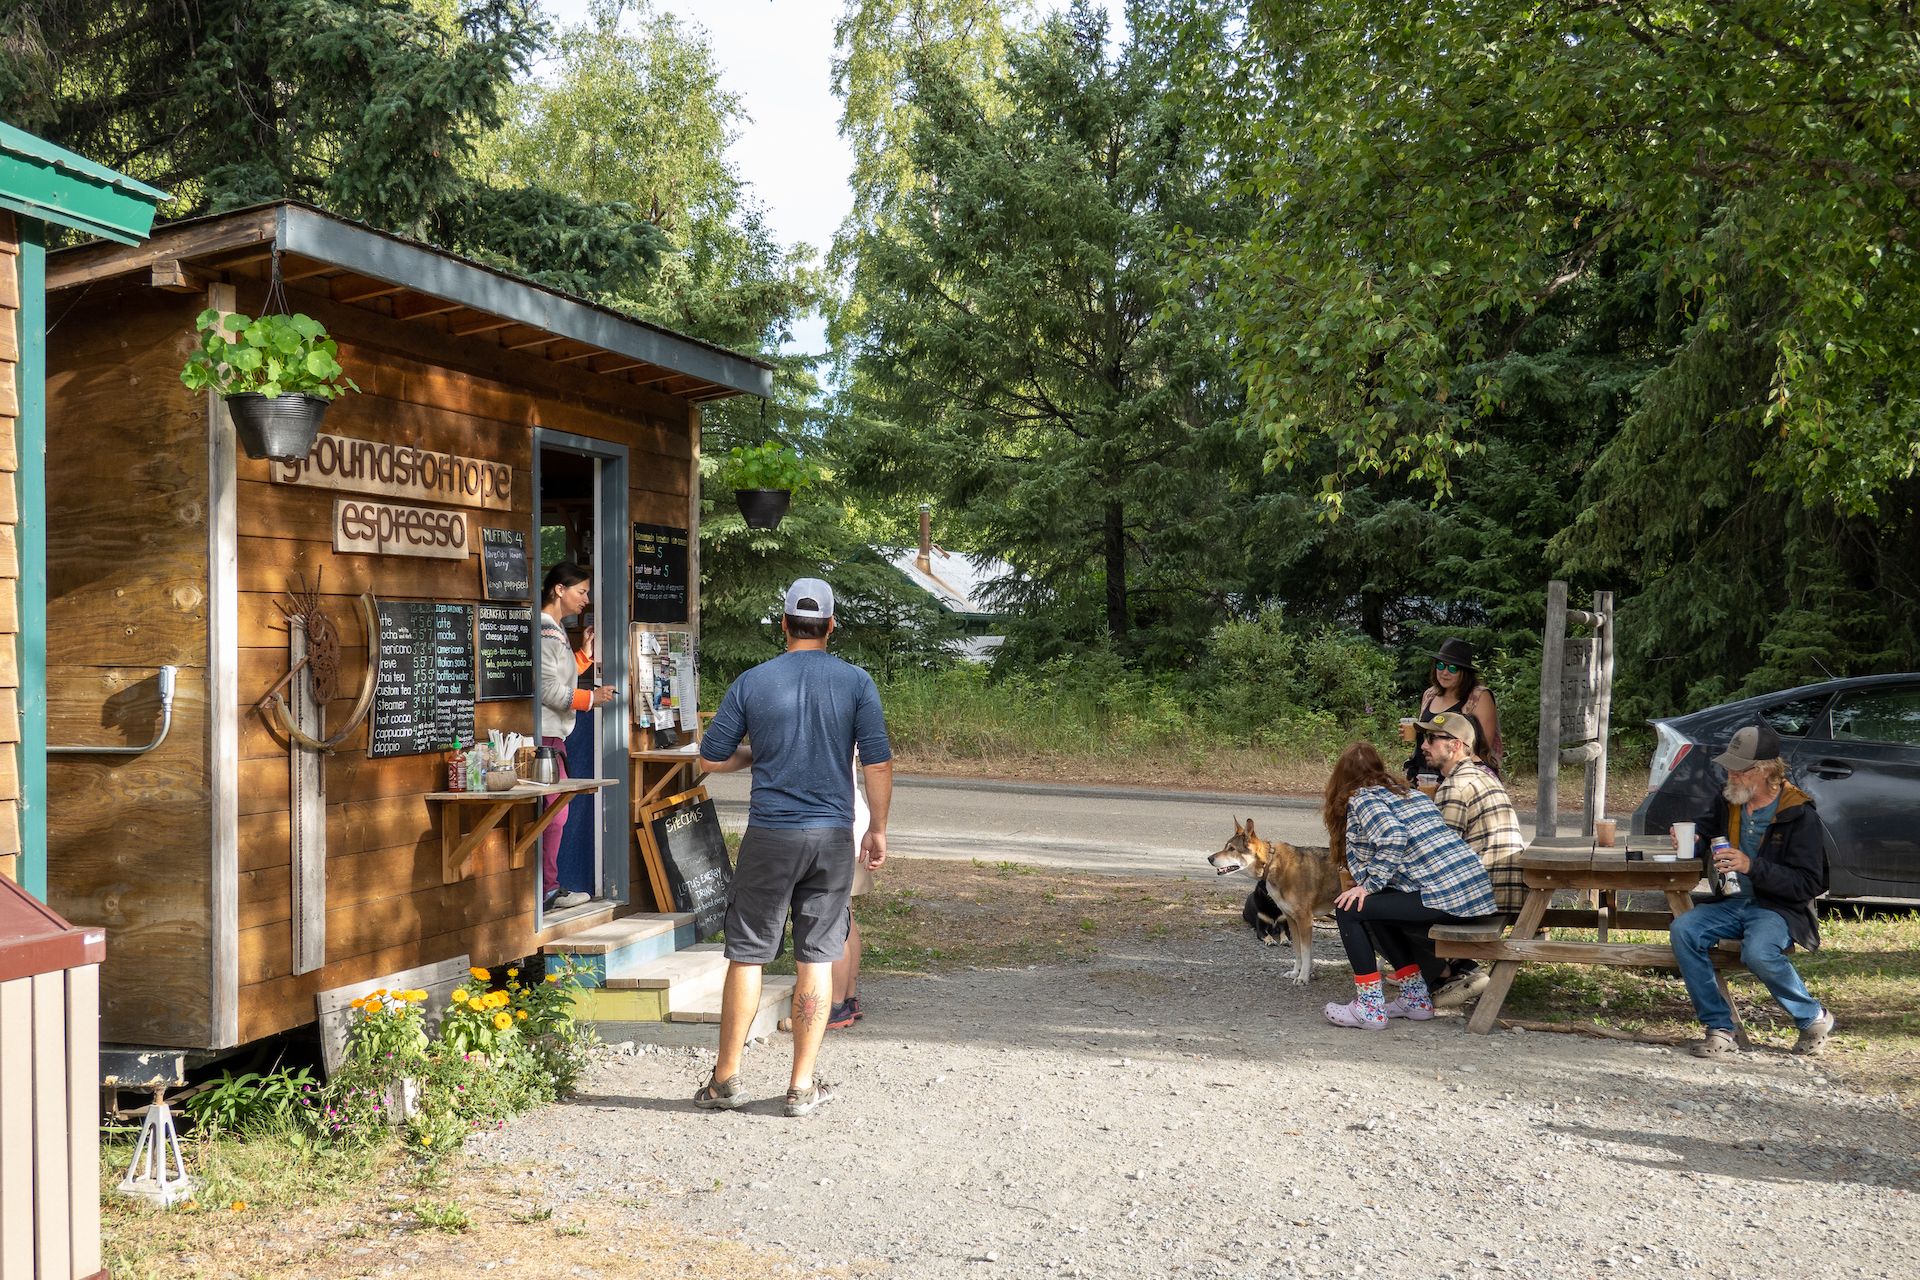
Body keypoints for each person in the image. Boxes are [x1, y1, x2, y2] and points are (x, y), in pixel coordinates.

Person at [693, 577, 893, 1117]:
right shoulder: (856, 683)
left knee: (747, 954)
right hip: (831, 837)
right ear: (831, 625)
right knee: (817, 956)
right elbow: (876, 761)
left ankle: (725, 1079)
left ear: (783, 623)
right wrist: (876, 827)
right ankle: (801, 1086)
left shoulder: (753, 681)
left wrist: (760, 755)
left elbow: (711, 757)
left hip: (770, 835)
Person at [1669, 723, 1835, 1058]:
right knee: (1684, 929)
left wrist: (1751, 866)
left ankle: (1813, 1017)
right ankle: (1720, 1026)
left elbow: (1809, 883)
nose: (1729, 774)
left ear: (1762, 771)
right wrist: (1696, 837)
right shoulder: (1731, 799)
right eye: (1728, 766)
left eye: (1737, 769)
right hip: (1731, 902)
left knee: (1758, 952)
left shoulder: (1798, 814)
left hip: (1777, 909)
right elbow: (1707, 825)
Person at [1321, 741, 1497, 1030]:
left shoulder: (1362, 798)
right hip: (1472, 896)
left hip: (1445, 897)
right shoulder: (1410, 795)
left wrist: (1369, 885)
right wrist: (1373, 888)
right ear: (1379, 768)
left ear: (1339, 779)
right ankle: (1415, 1000)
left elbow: (1393, 837)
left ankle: (1369, 1008)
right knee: (1373, 909)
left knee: (1349, 908)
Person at [1420, 711, 1527, 1007]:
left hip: (1488, 896)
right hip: (1507, 889)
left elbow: (1439, 859)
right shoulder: (1482, 775)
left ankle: (1448, 975)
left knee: (1378, 906)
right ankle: (1455, 969)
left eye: (1431, 738)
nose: (1423, 746)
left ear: (1455, 745)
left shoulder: (1454, 787)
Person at [537, 562, 614, 912]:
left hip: (555, 737)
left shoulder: (554, 631)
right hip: (546, 738)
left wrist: (582, 655)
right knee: (555, 814)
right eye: (581, 591)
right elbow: (548, 690)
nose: (586, 599)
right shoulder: (543, 632)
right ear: (559, 590)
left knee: (555, 813)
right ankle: (546, 888)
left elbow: (560, 677)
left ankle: (547, 886)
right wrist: (589, 700)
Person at [1404, 639, 1503, 779]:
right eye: (1440, 665)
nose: (1444, 672)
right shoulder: (1430, 694)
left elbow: (1482, 748)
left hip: (1459, 779)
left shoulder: (1479, 697)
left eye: (1452, 668)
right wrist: (1415, 733)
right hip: (1424, 777)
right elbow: (1429, 737)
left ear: (1465, 672)